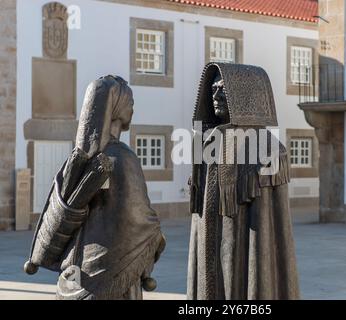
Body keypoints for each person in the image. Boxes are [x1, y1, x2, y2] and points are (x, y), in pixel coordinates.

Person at [25, 75, 165, 300]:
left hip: (76, 273)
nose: (132, 107)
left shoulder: (80, 158)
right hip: (110, 275)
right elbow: (139, 218)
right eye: (129, 101)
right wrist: (156, 234)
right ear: (117, 107)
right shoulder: (122, 158)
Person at [187, 63, 300, 300]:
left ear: (244, 96)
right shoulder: (206, 142)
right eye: (213, 89)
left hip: (238, 249)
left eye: (223, 89)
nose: (215, 95)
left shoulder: (267, 149)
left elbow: (265, 229)